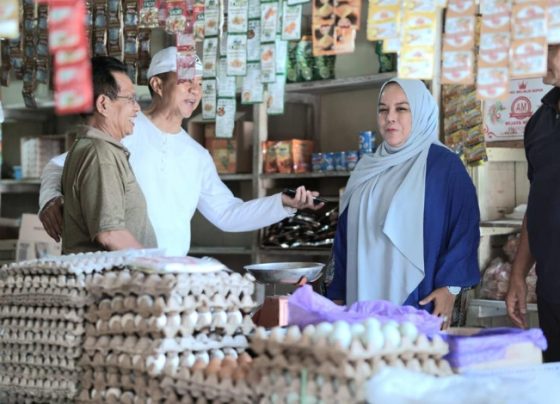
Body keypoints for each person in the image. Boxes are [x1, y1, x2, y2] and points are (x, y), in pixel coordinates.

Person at [39, 47, 322, 256]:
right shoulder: (122, 130)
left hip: (166, 275)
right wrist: (50, 198)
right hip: (118, 270)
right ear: (157, 84)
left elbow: (228, 214)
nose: (195, 91)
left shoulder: (196, 155)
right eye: (186, 81)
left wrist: (283, 204)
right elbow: (58, 165)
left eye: (200, 84)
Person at [326, 79, 480, 328]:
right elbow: (345, 236)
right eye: (383, 109)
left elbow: (464, 228)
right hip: (362, 297)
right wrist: (337, 293)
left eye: (402, 109)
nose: (390, 118)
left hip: (418, 299)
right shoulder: (367, 168)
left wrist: (450, 288)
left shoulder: (443, 166)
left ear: (420, 112)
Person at [62, 56, 157, 253]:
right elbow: (110, 234)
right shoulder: (100, 153)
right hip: (106, 282)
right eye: (130, 99)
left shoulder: (95, 147)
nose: (137, 107)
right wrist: (158, 264)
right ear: (103, 104)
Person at [506, 44, 560, 362]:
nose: (544, 58)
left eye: (554, 48)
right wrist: (518, 275)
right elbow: (537, 202)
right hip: (552, 293)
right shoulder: (538, 123)